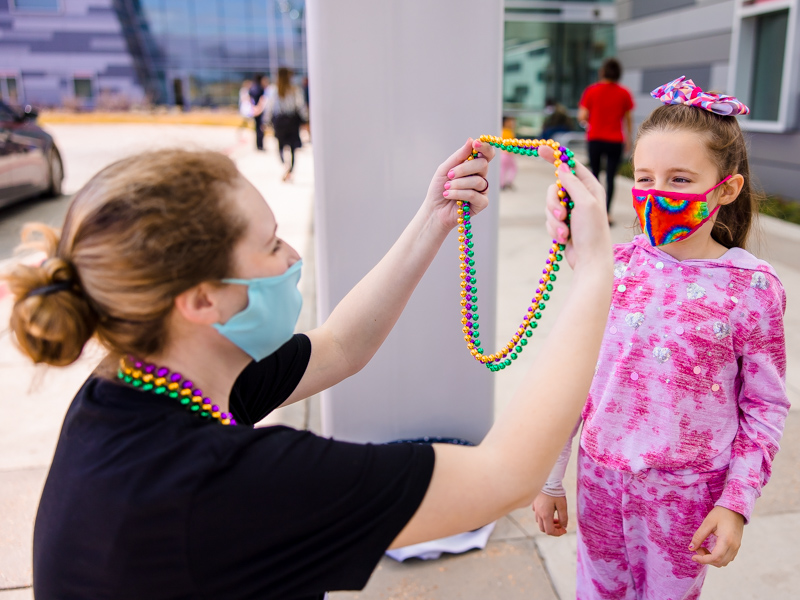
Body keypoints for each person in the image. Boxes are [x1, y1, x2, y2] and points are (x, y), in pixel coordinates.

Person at [8, 137, 613, 599]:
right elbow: (502, 477)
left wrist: (435, 217)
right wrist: (593, 274)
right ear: (200, 300)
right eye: (271, 244)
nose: (293, 255)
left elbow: (341, 346)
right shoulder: (227, 486)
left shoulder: (137, 384)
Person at [534, 76, 789, 599]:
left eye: (679, 178)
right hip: (600, 484)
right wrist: (551, 477)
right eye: (644, 177)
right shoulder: (610, 267)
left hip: (689, 499)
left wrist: (735, 503)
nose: (657, 194)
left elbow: (764, 407)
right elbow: (572, 380)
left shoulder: (753, 288)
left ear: (726, 188)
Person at [578, 58, 634, 223]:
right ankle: (606, 214)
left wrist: (588, 123)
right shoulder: (624, 93)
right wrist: (629, 140)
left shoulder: (591, 91)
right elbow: (628, 119)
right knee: (610, 178)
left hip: (595, 138)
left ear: (602, 72)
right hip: (615, 140)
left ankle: (593, 211)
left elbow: (582, 116)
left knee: (593, 176)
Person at [264, 67, 308, 182]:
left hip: (279, 121)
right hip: (292, 121)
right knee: (293, 148)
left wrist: (266, 120)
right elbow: (300, 106)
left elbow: (269, 107)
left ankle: (285, 166)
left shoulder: (273, 89)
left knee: (281, 146)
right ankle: (290, 170)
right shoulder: (294, 89)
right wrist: (305, 119)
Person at [249, 73, 269, 151]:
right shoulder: (260, 88)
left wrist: (253, 108)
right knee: (261, 129)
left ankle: (258, 145)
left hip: (254, 110)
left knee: (257, 129)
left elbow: (250, 99)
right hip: (259, 111)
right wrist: (259, 109)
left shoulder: (252, 88)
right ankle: (260, 146)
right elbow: (262, 100)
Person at [500, 115, 517, 190]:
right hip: (507, 154)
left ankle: (502, 183)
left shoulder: (501, 131)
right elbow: (512, 144)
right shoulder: (508, 132)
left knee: (503, 169)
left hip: (502, 153)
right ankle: (509, 182)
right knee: (513, 168)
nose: (512, 123)